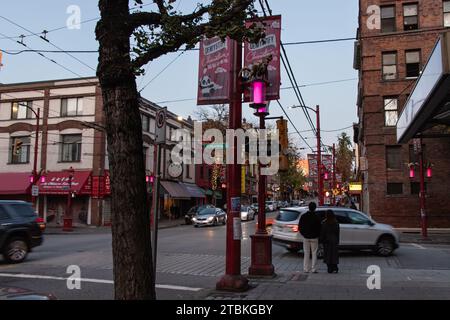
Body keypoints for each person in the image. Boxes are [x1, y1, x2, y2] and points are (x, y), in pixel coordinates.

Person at [298, 202, 321, 273]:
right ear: (315, 208)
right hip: (314, 237)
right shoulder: (317, 216)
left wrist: (303, 234)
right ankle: (314, 269)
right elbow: (320, 228)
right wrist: (318, 235)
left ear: (308, 207)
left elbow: (300, 227)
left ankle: (306, 269)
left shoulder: (304, 216)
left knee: (306, 253)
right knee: (314, 253)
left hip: (306, 237)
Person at [320, 209, 340, 273]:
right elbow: (337, 232)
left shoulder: (324, 223)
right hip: (334, 239)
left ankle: (329, 268)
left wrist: (322, 240)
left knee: (327, 254)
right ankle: (335, 267)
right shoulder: (336, 222)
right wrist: (337, 240)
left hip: (327, 240)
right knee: (334, 254)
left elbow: (323, 232)